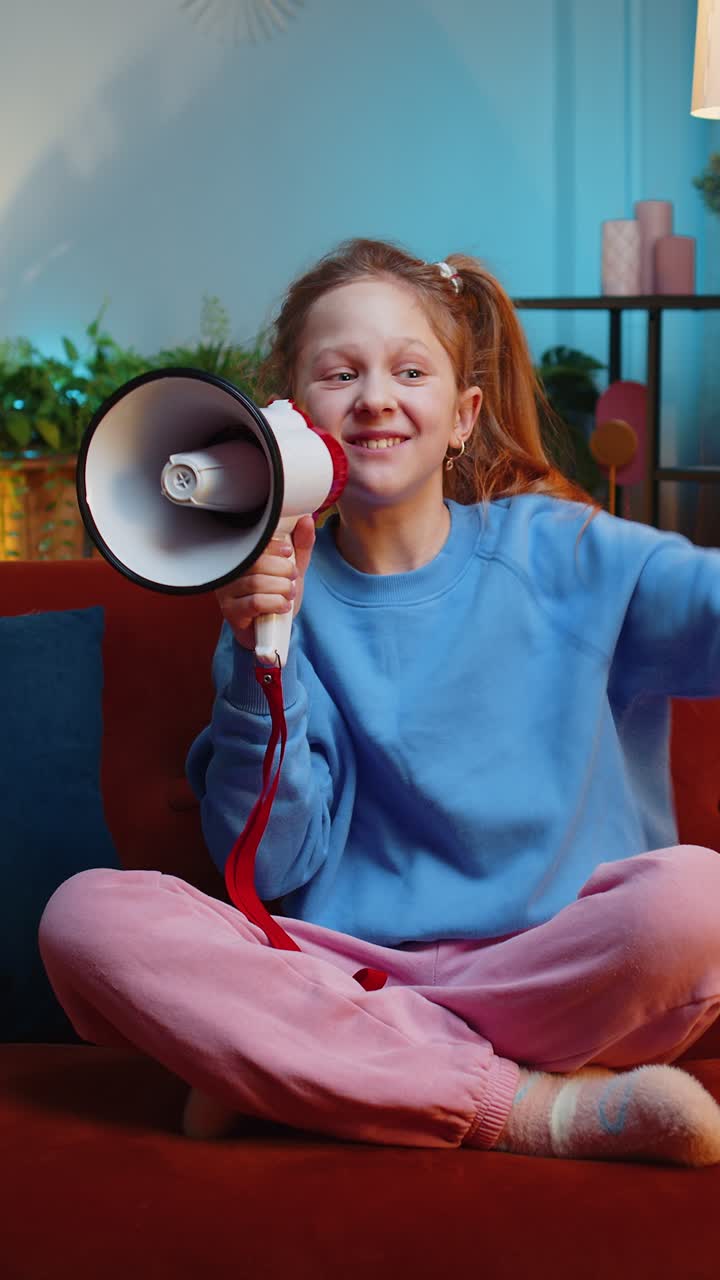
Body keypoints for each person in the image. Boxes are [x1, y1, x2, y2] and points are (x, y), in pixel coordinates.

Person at [39, 238, 720, 1166]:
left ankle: (317, 1070)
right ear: (288, 413)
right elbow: (271, 865)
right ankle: (529, 1110)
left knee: (696, 901)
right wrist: (255, 656)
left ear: (463, 415)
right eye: (340, 372)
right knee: (86, 918)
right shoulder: (271, 596)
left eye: (409, 370)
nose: (375, 397)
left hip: (545, 968)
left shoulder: (564, 553)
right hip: (340, 967)